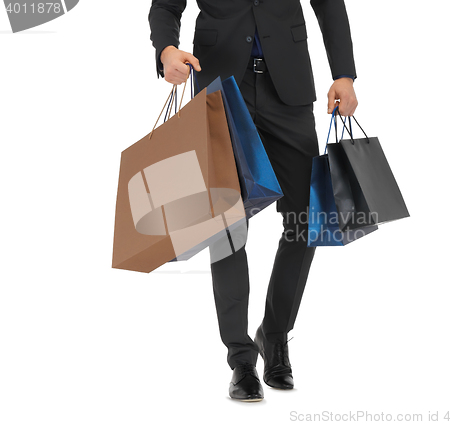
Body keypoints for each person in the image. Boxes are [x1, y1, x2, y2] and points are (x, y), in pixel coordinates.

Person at [148, 0, 358, 402]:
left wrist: (344, 73)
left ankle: (275, 335)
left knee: (304, 221)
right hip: (221, 85)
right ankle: (241, 358)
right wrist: (166, 50)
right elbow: (166, 5)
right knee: (226, 225)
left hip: (289, 87)